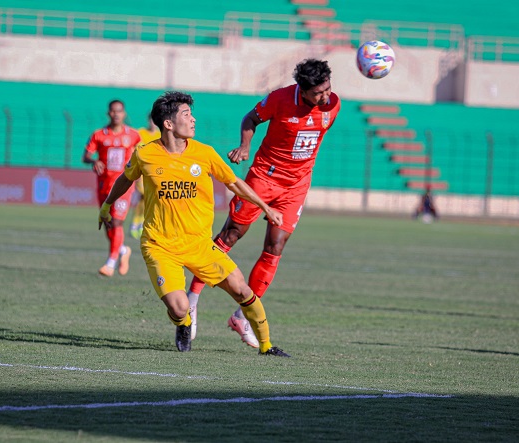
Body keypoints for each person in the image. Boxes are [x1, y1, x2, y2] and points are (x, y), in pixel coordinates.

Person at [98, 91, 290, 356]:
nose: (193, 120)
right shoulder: (145, 154)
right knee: (178, 308)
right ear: (168, 124)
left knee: (241, 288)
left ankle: (267, 346)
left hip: (199, 245)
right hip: (160, 246)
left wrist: (265, 206)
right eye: (186, 115)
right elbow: (125, 179)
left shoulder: (204, 153)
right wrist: (107, 205)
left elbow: (234, 182)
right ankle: (184, 323)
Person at [186, 58, 341, 348]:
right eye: (319, 93)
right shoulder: (280, 99)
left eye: (328, 89)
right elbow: (250, 119)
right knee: (230, 236)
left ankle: (242, 317)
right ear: (302, 90)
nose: (325, 96)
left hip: (296, 186)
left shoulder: (333, 106)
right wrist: (245, 147)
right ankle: (191, 300)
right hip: (264, 177)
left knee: (276, 246)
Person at [83, 99, 141, 277]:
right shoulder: (99, 135)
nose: (116, 114)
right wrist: (95, 161)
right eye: (113, 111)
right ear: (109, 113)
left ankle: (110, 262)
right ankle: (123, 250)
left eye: (120, 111)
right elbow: (85, 156)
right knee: (108, 223)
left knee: (117, 222)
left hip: (124, 185)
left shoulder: (133, 135)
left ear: (124, 114)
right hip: (104, 185)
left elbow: (141, 155)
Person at [130, 114, 161, 240]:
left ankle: (141, 224)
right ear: (148, 121)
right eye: (151, 120)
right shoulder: (140, 133)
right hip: (142, 170)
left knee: (149, 200)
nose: (153, 123)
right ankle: (134, 224)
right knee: (143, 196)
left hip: (155, 171)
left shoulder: (160, 134)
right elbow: (134, 149)